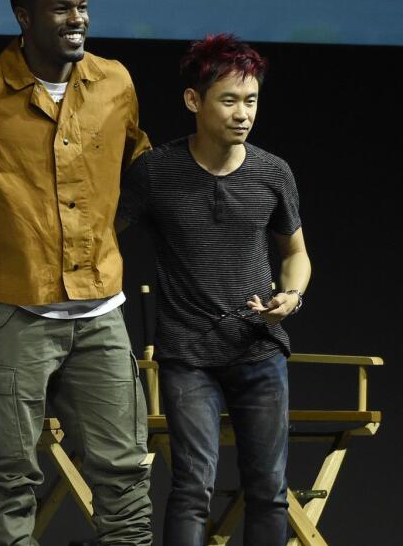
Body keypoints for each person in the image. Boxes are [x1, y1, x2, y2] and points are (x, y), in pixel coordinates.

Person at [0, 0, 153, 545]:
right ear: (23, 16)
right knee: (10, 475)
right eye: (62, 8)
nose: (77, 18)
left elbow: (137, 165)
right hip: (11, 310)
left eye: (82, 6)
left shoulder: (115, 83)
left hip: (98, 310)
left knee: (125, 472)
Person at [117, 34, 312, 546]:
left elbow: (295, 255)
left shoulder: (273, 173)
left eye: (250, 101)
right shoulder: (155, 172)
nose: (242, 113)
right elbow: (100, 240)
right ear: (193, 101)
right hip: (188, 355)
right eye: (228, 100)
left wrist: (290, 298)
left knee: (269, 488)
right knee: (192, 486)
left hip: (258, 349)